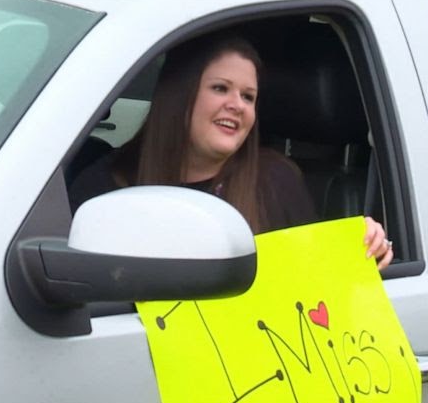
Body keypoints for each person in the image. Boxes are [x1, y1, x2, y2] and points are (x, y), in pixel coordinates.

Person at [69, 34, 394, 268]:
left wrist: (362, 248)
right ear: (178, 97)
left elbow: (313, 277)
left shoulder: (275, 180)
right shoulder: (105, 186)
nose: (237, 105)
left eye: (248, 97)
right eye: (220, 88)